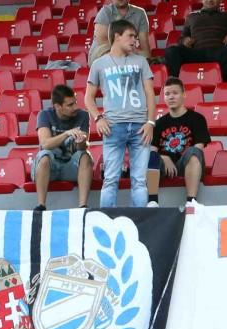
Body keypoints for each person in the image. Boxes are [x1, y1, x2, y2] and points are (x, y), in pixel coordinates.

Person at [86, 19, 156, 209]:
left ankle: (139, 221)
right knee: (110, 179)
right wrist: (98, 118)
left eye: (136, 36)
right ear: (117, 36)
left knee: (139, 180)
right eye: (131, 36)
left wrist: (151, 122)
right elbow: (88, 98)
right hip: (113, 127)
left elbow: (150, 93)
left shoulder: (141, 61)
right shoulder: (99, 64)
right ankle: (106, 221)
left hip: (140, 126)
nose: (135, 40)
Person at [149, 77, 211, 207]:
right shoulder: (159, 124)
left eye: (175, 93)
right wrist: (164, 157)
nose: (171, 97)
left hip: (187, 165)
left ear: (184, 94)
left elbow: (199, 148)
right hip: (165, 168)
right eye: (167, 94)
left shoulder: (197, 119)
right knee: (151, 156)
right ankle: (152, 201)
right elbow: (152, 151)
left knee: (194, 152)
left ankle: (191, 202)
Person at [33, 84, 94, 212]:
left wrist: (81, 142)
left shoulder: (83, 115)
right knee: (44, 156)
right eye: (70, 105)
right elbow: (45, 144)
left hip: (71, 167)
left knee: (85, 156)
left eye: (75, 102)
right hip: (51, 168)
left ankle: (83, 207)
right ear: (57, 106)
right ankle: (41, 206)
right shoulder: (45, 115)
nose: (75, 107)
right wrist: (67, 134)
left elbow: (82, 147)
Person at [165, 0, 227, 82]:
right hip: (196, 53)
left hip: (218, 52)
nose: (210, 0)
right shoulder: (191, 17)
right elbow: (181, 39)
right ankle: (177, 83)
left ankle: (222, 83)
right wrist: (185, 40)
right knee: (171, 51)